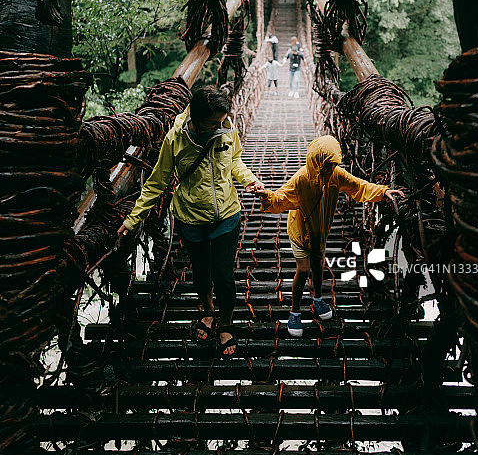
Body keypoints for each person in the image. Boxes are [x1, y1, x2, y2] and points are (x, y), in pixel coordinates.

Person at [117, 86, 264, 357]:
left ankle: (226, 323)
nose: (220, 127)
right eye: (213, 123)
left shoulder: (226, 128)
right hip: (191, 217)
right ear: (195, 119)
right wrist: (132, 220)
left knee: (223, 276)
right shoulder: (175, 139)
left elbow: (235, 162)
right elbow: (156, 183)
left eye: (222, 121)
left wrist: (250, 180)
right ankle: (208, 312)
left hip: (227, 216)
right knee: (201, 273)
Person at [256, 135, 405, 337]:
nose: (328, 170)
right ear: (315, 163)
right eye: (325, 166)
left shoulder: (336, 175)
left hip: (320, 231)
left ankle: (317, 299)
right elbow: (281, 197)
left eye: (332, 165)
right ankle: (295, 311)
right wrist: (267, 196)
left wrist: (383, 191)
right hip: (300, 231)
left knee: (318, 266)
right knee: (304, 268)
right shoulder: (301, 179)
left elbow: (358, 186)